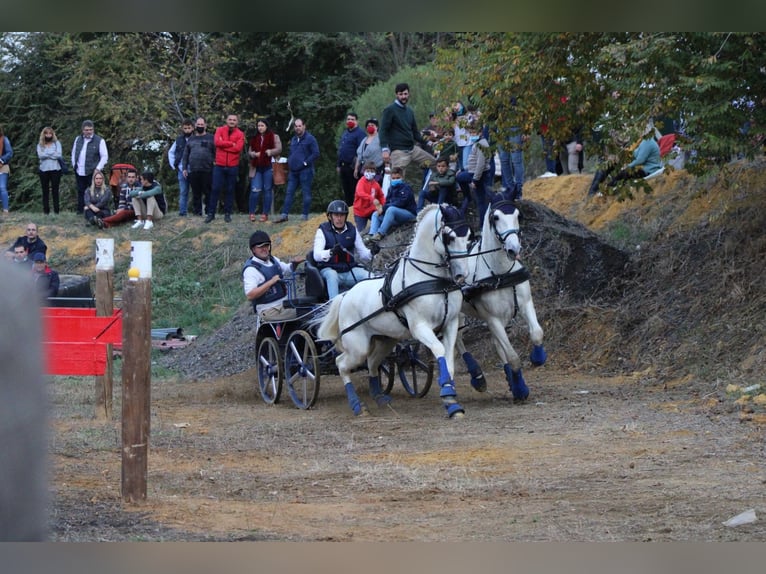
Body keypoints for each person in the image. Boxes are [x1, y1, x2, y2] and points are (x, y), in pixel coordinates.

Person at [313, 200, 374, 299]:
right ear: (330, 216)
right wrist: (331, 252)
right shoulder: (323, 230)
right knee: (332, 276)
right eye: (336, 215)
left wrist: (372, 252)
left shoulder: (352, 229)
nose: (339, 218)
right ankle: (334, 306)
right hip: (329, 270)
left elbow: (363, 254)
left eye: (342, 215)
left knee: (370, 275)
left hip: (348, 270)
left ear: (346, 216)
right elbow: (316, 255)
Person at [242, 230, 305, 322]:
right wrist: (271, 282)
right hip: (268, 310)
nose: (264, 249)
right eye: (260, 247)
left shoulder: (273, 259)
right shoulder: (251, 270)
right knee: (304, 313)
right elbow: (250, 295)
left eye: (266, 245)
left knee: (308, 306)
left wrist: (295, 263)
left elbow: (288, 269)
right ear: (253, 249)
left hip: (284, 304)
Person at [378, 82, 435, 180]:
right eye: (400, 94)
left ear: (408, 94)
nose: (403, 97)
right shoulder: (390, 110)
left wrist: (429, 142)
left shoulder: (409, 111)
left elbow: (415, 133)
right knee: (397, 179)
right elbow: (383, 131)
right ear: (396, 95)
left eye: (405, 94)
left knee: (435, 164)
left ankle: (435, 189)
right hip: (399, 152)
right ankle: (394, 195)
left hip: (413, 149)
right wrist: (384, 149)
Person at [274, 118, 320, 223]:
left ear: (304, 126)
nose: (298, 128)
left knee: (306, 193)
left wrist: (305, 162)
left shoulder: (310, 139)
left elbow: (316, 153)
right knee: (289, 192)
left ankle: (304, 216)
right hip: (293, 172)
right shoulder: (294, 139)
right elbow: (293, 153)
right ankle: (284, 215)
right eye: (296, 126)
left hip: (305, 171)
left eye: (300, 126)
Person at [208, 113, 245, 223]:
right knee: (215, 189)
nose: (232, 121)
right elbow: (217, 142)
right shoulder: (219, 130)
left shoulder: (240, 134)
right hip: (219, 165)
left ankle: (227, 214)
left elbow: (238, 148)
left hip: (233, 166)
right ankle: (211, 213)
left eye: (234, 120)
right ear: (226, 120)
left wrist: (224, 146)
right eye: (230, 119)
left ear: (237, 122)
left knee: (230, 190)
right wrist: (231, 144)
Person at [367, 166, 417, 242]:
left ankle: (380, 234)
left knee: (391, 209)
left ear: (402, 177)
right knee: (375, 214)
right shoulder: (391, 188)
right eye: (393, 178)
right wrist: (381, 210)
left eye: (397, 178)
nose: (395, 180)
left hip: (408, 214)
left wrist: (383, 208)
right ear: (390, 178)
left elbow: (401, 203)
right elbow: (387, 202)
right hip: (395, 216)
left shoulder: (406, 188)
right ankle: (371, 235)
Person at [247, 118, 281, 223]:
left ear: (266, 126)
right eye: (259, 126)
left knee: (267, 190)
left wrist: (270, 151)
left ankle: (265, 214)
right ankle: (252, 213)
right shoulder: (254, 138)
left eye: (262, 125)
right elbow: (250, 151)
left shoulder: (274, 137)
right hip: (257, 167)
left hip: (269, 166)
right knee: (255, 190)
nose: (260, 128)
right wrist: (254, 154)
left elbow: (279, 149)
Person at [456, 122, 492, 220]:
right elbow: (473, 161)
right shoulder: (477, 143)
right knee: (459, 177)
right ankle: (468, 197)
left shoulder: (482, 145)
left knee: (481, 201)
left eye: (474, 133)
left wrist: (475, 180)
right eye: (471, 133)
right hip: (472, 172)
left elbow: (480, 164)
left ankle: (482, 225)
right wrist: (463, 169)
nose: (472, 135)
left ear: (480, 132)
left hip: (478, 175)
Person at [71, 120, 109, 213]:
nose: (89, 132)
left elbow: (104, 156)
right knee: (81, 191)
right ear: (83, 130)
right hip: (79, 170)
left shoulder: (100, 140)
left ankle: (95, 210)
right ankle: (80, 210)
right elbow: (73, 152)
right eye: (86, 130)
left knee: (93, 192)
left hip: (92, 171)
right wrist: (74, 165)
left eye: (90, 129)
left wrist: (97, 169)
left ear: (93, 129)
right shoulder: (78, 139)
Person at [181, 117, 215, 217]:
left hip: (207, 170)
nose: (200, 126)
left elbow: (216, 152)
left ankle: (209, 212)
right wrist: (184, 168)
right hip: (193, 170)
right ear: (195, 126)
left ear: (205, 125)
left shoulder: (211, 138)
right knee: (196, 193)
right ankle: (197, 212)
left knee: (208, 192)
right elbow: (185, 155)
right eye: (198, 124)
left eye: (202, 124)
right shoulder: (191, 139)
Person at [337, 112, 366, 206]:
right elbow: (341, 149)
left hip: (353, 167)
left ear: (357, 121)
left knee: (354, 190)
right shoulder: (345, 133)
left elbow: (361, 151)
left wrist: (357, 168)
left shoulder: (360, 134)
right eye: (348, 119)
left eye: (352, 119)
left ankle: (356, 210)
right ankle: (348, 210)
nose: (350, 121)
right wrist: (338, 165)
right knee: (346, 191)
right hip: (343, 166)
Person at [167, 119, 194, 216]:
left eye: (189, 128)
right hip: (182, 169)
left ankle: (197, 212)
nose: (187, 130)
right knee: (183, 191)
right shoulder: (178, 140)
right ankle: (182, 212)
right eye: (185, 128)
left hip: (195, 169)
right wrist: (175, 165)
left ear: (193, 128)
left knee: (196, 191)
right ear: (182, 129)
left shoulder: (196, 139)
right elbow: (171, 152)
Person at [36, 126, 64, 216]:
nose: (48, 135)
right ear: (43, 134)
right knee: (45, 191)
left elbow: (58, 155)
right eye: (46, 133)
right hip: (43, 170)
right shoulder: (40, 145)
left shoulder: (57, 143)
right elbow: (40, 156)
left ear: (52, 134)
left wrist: (46, 154)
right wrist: (52, 153)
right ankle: (46, 212)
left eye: (50, 133)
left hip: (55, 169)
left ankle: (56, 212)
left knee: (55, 191)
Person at [352, 161, 386, 233]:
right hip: (360, 212)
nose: (369, 173)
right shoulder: (361, 182)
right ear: (364, 171)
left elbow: (381, 196)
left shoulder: (376, 184)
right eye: (367, 171)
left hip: (371, 210)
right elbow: (360, 193)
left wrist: (383, 206)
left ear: (375, 172)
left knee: (380, 220)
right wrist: (372, 199)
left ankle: (375, 234)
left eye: (372, 171)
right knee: (361, 232)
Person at [354, 118, 384, 183]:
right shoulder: (364, 139)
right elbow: (359, 155)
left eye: (372, 125)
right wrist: (356, 169)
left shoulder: (381, 139)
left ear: (377, 127)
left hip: (376, 171)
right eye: (368, 125)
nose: (370, 127)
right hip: (364, 171)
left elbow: (386, 153)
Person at [0, 124, 13, 215]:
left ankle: (5, 210)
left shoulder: (4, 139)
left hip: (2, 166)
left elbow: (9, 152)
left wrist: (1, 160)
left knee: (2, 187)